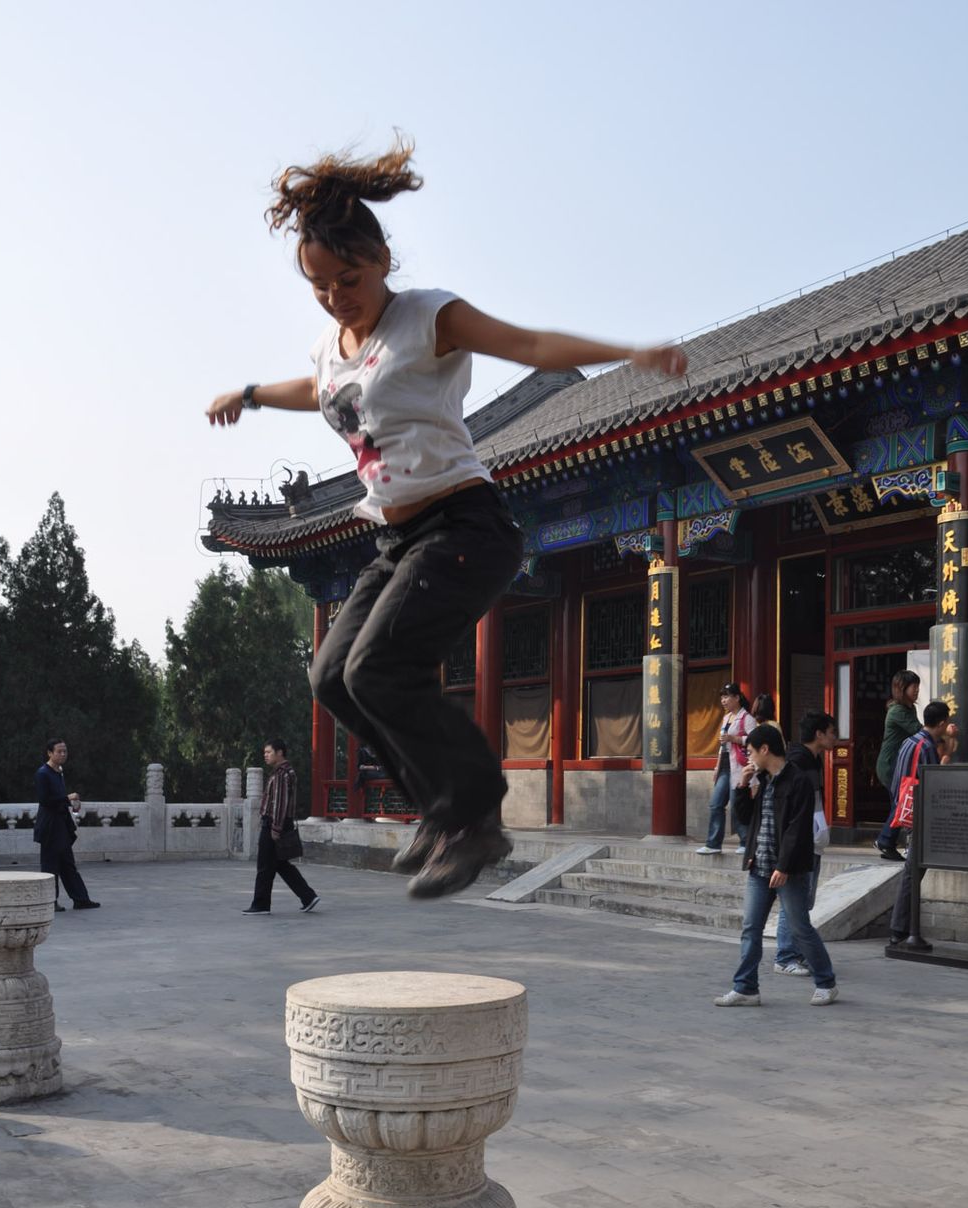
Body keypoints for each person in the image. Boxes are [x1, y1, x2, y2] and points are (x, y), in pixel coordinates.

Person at [206, 137, 687, 899]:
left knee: (377, 668)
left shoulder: (430, 317)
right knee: (332, 676)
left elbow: (527, 342)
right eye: (320, 285)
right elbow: (318, 386)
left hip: (465, 525)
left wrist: (630, 352)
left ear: (383, 259)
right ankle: (440, 807)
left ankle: (476, 813)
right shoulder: (334, 348)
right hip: (395, 539)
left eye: (349, 278)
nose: (338, 296)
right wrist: (253, 392)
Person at [714, 725, 838, 1007]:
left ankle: (826, 982)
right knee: (751, 928)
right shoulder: (764, 779)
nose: (749, 757)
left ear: (765, 749)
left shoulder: (798, 780)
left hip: (789, 870)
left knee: (799, 928)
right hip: (759, 866)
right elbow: (745, 818)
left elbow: (797, 829)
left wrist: (783, 866)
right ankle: (746, 988)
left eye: (750, 752)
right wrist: (743, 787)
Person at [774, 711, 838, 976]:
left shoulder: (810, 759)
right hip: (804, 841)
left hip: (811, 839)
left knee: (800, 901)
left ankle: (793, 953)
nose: (835, 737)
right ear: (819, 734)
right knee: (796, 902)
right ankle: (786, 956)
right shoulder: (799, 761)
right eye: (832, 731)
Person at [888, 701, 955, 946]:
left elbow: (898, 781)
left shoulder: (908, 742)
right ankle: (900, 928)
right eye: (945, 721)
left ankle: (903, 927)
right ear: (940, 723)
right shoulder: (925, 746)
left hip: (905, 813)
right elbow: (931, 784)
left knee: (913, 870)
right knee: (913, 871)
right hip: (919, 816)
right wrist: (944, 765)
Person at [243, 740, 320, 916]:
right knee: (280, 864)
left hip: (274, 823)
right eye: (265, 752)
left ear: (280, 753)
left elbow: (279, 803)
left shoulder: (281, 774)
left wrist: (275, 828)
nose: (265, 755)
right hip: (278, 822)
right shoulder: (285, 772)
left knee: (264, 865)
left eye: (269, 752)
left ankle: (261, 905)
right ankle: (308, 896)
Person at [33, 739, 100, 912]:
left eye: (65, 751)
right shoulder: (43, 773)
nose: (63, 754)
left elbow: (58, 800)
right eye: (59, 751)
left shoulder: (58, 772)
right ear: (49, 753)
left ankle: (80, 899)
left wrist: (72, 804)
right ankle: (50, 902)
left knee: (67, 864)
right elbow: (44, 800)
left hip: (61, 824)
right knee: (49, 866)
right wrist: (67, 798)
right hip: (49, 826)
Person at [696, 684, 756, 854]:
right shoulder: (726, 717)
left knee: (737, 805)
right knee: (716, 804)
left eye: (727, 696)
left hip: (738, 766)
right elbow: (723, 745)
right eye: (722, 697)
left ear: (737, 698)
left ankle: (746, 842)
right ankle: (713, 844)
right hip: (724, 765)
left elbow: (754, 740)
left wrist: (734, 738)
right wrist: (716, 766)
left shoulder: (747, 718)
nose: (723, 700)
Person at [873, 670, 921, 860]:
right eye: (913, 687)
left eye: (918, 686)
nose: (917, 690)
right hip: (890, 763)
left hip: (901, 763)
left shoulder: (909, 709)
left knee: (900, 802)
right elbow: (918, 731)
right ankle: (885, 840)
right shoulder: (898, 711)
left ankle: (887, 842)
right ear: (902, 689)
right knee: (902, 802)